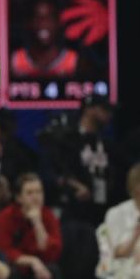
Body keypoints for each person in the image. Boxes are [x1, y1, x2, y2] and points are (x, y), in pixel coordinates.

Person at [44, 94, 119, 225]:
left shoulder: (106, 143)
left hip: (100, 210)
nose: (109, 115)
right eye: (104, 109)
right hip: (72, 212)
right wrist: (74, 185)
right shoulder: (66, 139)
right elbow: (51, 173)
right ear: (89, 110)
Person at [10, 0, 79, 78]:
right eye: (38, 17)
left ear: (57, 23)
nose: (43, 22)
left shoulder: (74, 61)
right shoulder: (15, 60)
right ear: (29, 23)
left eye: (49, 17)